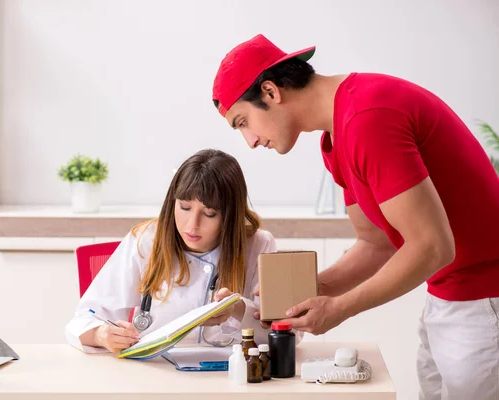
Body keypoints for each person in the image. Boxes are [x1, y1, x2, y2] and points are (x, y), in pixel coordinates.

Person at [212, 34, 499, 399]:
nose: (249, 141)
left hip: (484, 300)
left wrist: (339, 309)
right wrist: (315, 288)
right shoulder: (336, 139)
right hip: (448, 297)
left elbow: (432, 246)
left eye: (242, 121)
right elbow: (376, 243)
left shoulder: (367, 117)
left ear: (270, 92)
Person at [65, 148, 278, 354]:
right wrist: (102, 335)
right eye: (185, 208)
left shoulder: (258, 245)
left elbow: (288, 333)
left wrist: (238, 308)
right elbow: (83, 319)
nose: (192, 225)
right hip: (156, 374)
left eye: (210, 213)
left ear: (230, 216)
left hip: (229, 377)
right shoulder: (145, 241)